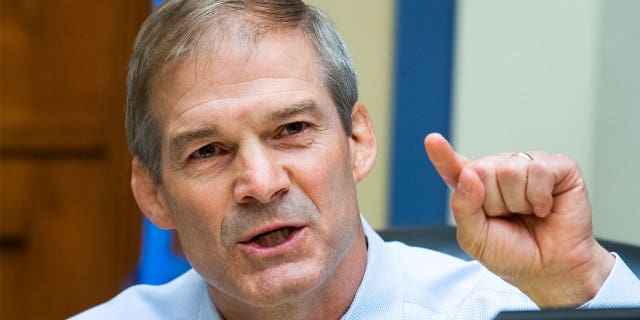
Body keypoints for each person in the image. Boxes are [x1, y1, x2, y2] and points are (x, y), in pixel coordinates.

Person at [71, 0, 640, 319]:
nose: (261, 184)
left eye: (292, 129)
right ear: (152, 193)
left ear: (358, 141)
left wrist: (582, 287)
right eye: (208, 151)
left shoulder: (496, 312)